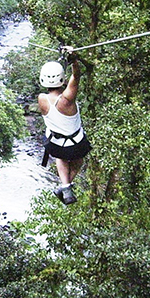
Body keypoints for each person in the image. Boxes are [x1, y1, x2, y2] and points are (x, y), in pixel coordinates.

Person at [37, 48, 91, 205]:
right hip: (76, 145)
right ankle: (65, 186)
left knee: (60, 156)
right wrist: (74, 60)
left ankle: (66, 186)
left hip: (55, 145)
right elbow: (76, 76)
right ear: (62, 79)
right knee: (78, 161)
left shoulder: (41, 99)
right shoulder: (67, 99)